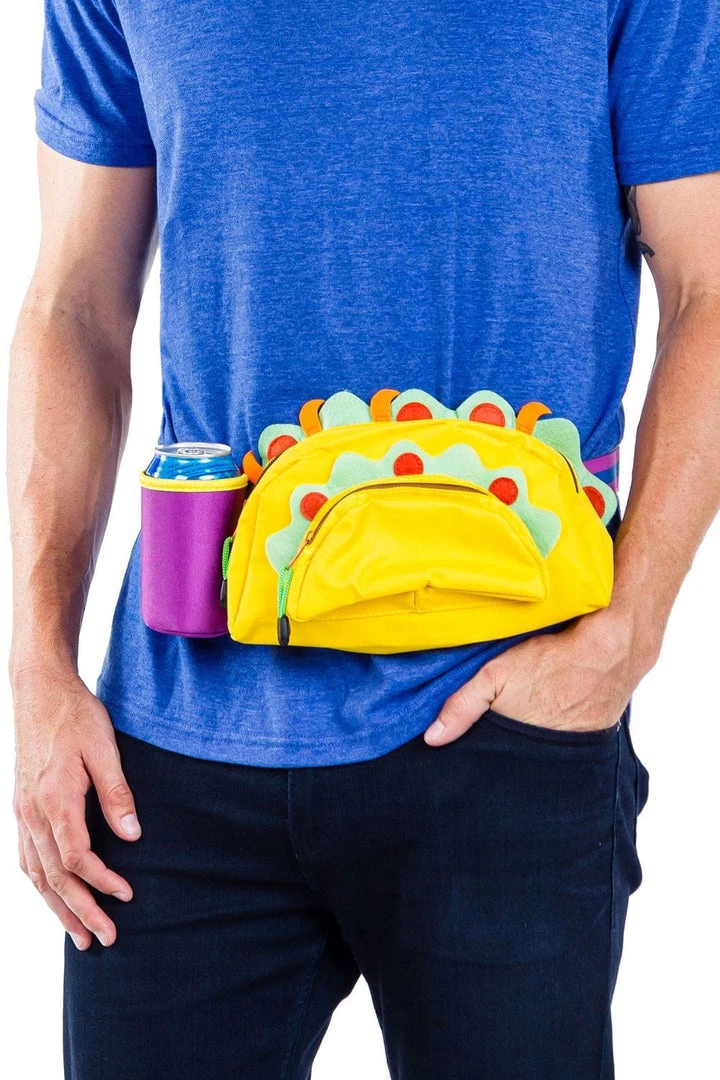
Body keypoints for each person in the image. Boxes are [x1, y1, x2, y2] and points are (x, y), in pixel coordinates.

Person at [7, 1, 720, 1077]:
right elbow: (72, 305)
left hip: (504, 719)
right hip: (177, 745)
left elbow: (708, 286)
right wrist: (37, 669)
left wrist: (628, 636)